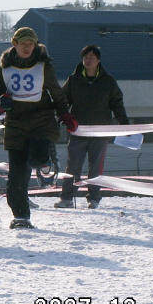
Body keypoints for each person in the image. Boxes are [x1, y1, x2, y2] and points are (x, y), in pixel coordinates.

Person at [0, 27, 76, 229]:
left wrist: (64, 113)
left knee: (37, 158)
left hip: (41, 120)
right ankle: (21, 216)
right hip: (15, 124)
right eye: (23, 44)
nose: (27, 47)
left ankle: (47, 159)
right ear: (15, 44)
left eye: (31, 44)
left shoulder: (43, 66)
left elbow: (56, 91)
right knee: (17, 174)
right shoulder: (4, 69)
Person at [55, 45, 129, 209]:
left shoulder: (108, 81)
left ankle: (94, 198)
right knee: (73, 167)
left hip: (100, 133)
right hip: (78, 132)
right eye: (85, 57)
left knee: (96, 168)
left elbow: (117, 104)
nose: (88, 60)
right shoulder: (73, 80)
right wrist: (59, 118)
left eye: (92, 57)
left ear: (99, 60)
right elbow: (62, 101)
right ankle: (66, 197)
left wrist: (124, 124)